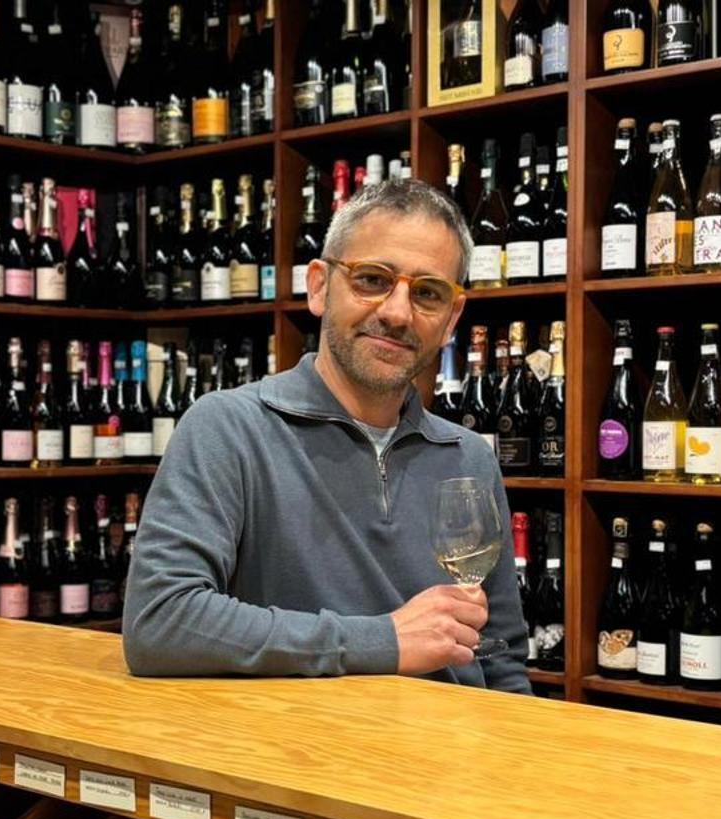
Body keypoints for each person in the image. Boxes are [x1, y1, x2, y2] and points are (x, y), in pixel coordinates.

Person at [122, 179, 530, 693]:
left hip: (454, 740)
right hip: (303, 743)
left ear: (452, 318)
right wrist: (384, 641)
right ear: (318, 286)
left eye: (427, 293)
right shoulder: (228, 428)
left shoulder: (468, 454)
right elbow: (161, 622)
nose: (397, 313)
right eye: (372, 279)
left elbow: (501, 658)